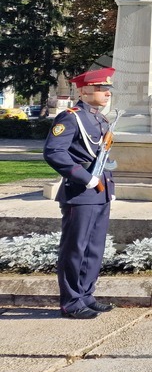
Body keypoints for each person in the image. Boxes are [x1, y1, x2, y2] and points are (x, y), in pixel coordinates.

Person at [43, 67, 118, 319]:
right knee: (75, 249)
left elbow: (102, 158)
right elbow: (54, 152)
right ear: (84, 91)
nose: (107, 93)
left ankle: (86, 296)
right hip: (80, 192)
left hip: (100, 192)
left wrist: (109, 187)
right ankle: (71, 302)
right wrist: (85, 179)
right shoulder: (70, 117)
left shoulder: (101, 119)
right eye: (101, 88)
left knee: (94, 248)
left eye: (107, 88)